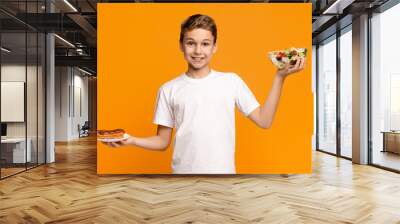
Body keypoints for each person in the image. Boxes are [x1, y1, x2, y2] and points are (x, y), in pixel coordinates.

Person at [103, 14, 306, 174]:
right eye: (191, 43)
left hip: (223, 177)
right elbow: (163, 142)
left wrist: (280, 78)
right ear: (181, 45)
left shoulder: (231, 81)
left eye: (205, 43)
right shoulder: (169, 89)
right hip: (182, 177)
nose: (198, 50)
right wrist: (132, 140)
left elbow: (264, 120)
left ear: (215, 46)